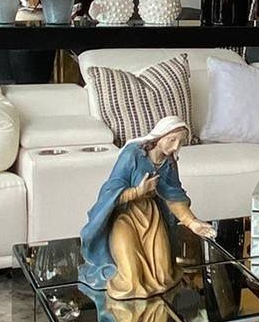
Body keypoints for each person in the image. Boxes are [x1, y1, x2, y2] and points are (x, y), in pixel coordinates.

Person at [79, 116, 214, 300]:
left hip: (152, 217)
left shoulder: (168, 163)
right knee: (130, 280)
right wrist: (137, 192)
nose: (175, 147)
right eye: (172, 140)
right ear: (159, 136)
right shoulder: (133, 154)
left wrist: (192, 222)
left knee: (164, 275)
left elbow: (174, 196)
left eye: (180, 142)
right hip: (124, 218)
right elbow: (110, 191)